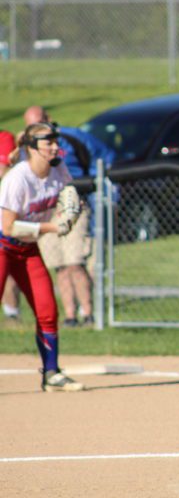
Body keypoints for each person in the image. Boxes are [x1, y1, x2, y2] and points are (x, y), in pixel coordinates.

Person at [0, 122, 84, 391]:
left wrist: (71, 210)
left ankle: (51, 373)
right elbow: (8, 227)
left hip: (27, 250)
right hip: (2, 246)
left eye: (55, 141)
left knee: (47, 309)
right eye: (49, 143)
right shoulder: (17, 178)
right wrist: (52, 227)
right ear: (32, 148)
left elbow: (67, 196)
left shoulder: (58, 168)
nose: (55, 147)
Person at [23, 106, 115, 326]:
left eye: (40, 122)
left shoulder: (72, 138)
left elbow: (105, 157)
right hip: (46, 210)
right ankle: (70, 315)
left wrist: (97, 187)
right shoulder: (27, 148)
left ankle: (88, 313)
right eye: (31, 125)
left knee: (75, 262)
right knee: (59, 265)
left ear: (49, 119)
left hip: (73, 205)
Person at [0, 129, 22, 321]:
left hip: (5, 213)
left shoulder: (4, 138)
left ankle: (12, 313)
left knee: (7, 265)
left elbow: (4, 170)